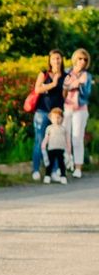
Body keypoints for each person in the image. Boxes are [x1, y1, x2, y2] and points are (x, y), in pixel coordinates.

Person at [31, 49, 65, 181]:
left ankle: (55, 171)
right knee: (40, 141)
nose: (56, 61)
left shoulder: (65, 75)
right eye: (53, 58)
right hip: (42, 112)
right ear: (49, 60)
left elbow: (64, 96)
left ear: (61, 60)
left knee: (56, 143)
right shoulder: (44, 74)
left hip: (56, 115)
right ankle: (36, 169)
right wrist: (53, 84)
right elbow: (37, 89)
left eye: (58, 58)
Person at [62, 48, 93, 179]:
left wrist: (79, 85)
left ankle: (78, 167)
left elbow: (87, 94)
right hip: (66, 108)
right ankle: (65, 163)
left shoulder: (87, 76)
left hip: (80, 109)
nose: (82, 61)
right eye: (80, 58)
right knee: (64, 136)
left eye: (85, 59)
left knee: (77, 138)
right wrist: (69, 86)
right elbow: (62, 90)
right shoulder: (67, 72)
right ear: (75, 59)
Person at [41, 107, 69, 185]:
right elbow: (46, 137)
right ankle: (47, 176)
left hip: (60, 149)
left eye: (58, 118)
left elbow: (67, 140)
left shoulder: (63, 129)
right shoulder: (49, 128)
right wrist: (43, 144)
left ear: (62, 118)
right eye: (54, 118)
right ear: (50, 118)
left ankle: (63, 176)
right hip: (51, 148)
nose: (56, 120)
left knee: (61, 163)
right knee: (50, 163)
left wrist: (68, 149)